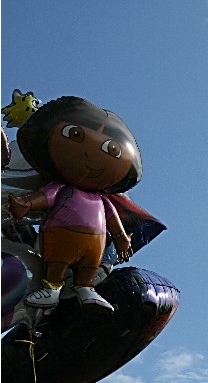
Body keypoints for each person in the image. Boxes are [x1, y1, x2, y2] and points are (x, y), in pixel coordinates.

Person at [8, 96, 143, 313]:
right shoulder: (62, 188)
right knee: (57, 263)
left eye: (111, 149)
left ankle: (84, 287)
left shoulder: (102, 200)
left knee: (88, 266)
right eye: (76, 135)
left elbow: (112, 219)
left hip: (94, 242)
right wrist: (25, 204)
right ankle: (52, 287)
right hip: (61, 236)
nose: (92, 155)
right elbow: (46, 197)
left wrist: (121, 239)